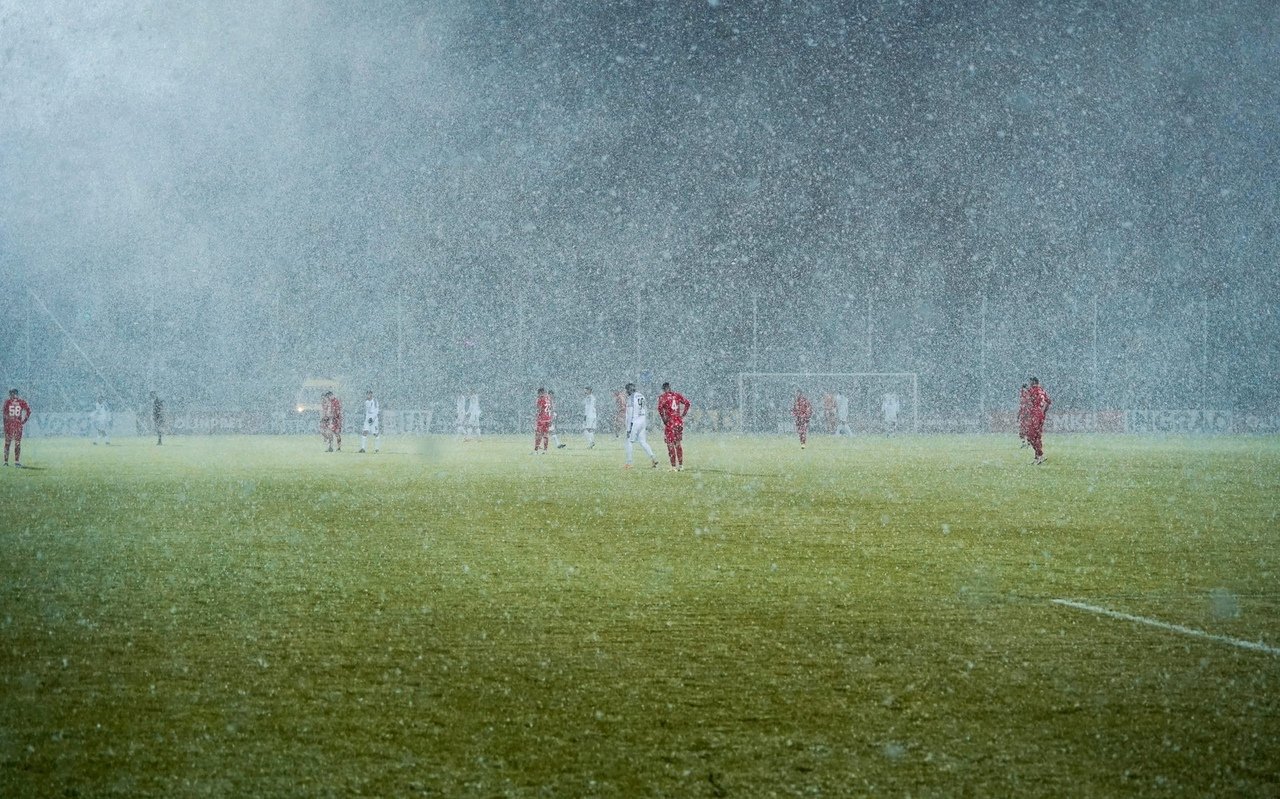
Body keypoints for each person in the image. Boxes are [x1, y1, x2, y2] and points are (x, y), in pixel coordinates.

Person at [657, 381, 691, 471]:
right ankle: (681, 465)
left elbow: (659, 408)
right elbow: (687, 403)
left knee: (670, 444)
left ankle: (673, 466)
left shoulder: (663, 397)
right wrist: (682, 415)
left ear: (663, 389)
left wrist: (664, 418)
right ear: (670, 387)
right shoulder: (677, 395)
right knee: (678, 443)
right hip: (678, 422)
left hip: (670, 423)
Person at [623, 382, 659, 469]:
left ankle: (629, 463)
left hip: (634, 421)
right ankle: (653, 457)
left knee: (629, 441)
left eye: (627, 390)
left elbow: (630, 414)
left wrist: (628, 428)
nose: (626, 392)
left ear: (629, 390)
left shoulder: (631, 398)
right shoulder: (641, 395)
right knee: (643, 441)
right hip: (643, 420)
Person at [1025, 377, 1052, 465]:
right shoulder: (1042, 390)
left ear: (1033, 382)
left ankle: (1040, 454)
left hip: (1035, 414)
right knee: (1037, 436)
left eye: (1030, 382)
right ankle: (1038, 458)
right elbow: (1048, 401)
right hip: (1040, 414)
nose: (1029, 384)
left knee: (1031, 436)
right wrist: (1043, 412)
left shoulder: (1033, 390)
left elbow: (1026, 401)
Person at [3, 388, 32, 467]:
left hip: (9, 425)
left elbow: (4, 415)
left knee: (7, 443)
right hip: (17, 425)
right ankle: (16, 462)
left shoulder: (7, 402)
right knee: (17, 443)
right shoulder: (21, 402)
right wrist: (23, 421)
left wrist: (5, 425)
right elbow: (29, 411)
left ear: (12, 394)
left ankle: (6, 462)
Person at [533, 387, 551, 454]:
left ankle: (536, 450)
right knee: (546, 435)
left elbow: (539, 410)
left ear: (540, 393)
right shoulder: (548, 398)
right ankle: (545, 450)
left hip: (542, 419)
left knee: (538, 434)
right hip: (547, 418)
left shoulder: (540, 399)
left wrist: (536, 417)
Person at [1016, 383, 1031, 448]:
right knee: (1026, 430)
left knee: (1024, 430)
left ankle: (1025, 443)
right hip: (1025, 415)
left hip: (1025, 415)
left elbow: (1022, 407)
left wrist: (1019, 415)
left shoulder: (1025, 396)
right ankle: (1026, 443)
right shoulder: (1027, 395)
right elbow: (1021, 407)